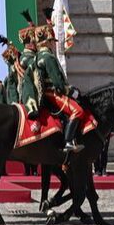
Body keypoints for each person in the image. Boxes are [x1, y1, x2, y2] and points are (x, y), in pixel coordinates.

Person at [32, 15, 87, 153]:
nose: (53, 43)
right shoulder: (48, 57)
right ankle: (68, 142)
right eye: (51, 41)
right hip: (52, 93)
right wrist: (70, 91)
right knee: (78, 110)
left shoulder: (38, 57)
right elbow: (57, 82)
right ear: (45, 42)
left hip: (45, 93)